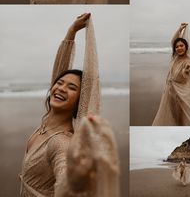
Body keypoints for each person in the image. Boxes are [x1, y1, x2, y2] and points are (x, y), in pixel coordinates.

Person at [20, 14, 120, 197]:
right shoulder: (49, 122)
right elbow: (59, 71)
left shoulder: (62, 143)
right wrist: (71, 32)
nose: (61, 88)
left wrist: (76, 178)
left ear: (81, 100)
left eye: (72, 87)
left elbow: (66, 182)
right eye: (60, 83)